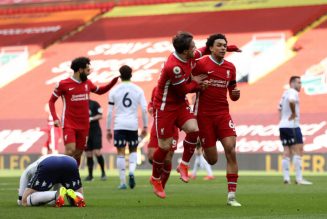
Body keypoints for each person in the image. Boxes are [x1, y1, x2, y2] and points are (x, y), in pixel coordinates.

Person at [150, 32, 240, 199]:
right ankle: (155, 179)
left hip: (181, 104)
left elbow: (205, 49)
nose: (196, 49)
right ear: (185, 51)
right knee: (164, 146)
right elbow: (184, 90)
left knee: (194, 129)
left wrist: (229, 48)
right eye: (192, 47)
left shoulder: (192, 55)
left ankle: (183, 165)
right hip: (165, 106)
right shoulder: (173, 67)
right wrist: (198, 84)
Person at [192, 33, 241, 206]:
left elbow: (233, 92)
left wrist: (235, 95)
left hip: (222, 114)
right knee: (212, 159)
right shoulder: (200, 64)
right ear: (211, 47)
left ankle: (231, 196)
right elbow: (189, 82)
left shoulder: (231, 67)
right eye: (219, 45)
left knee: (231, 148)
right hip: (204, 116)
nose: (223, 48)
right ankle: (205, 146)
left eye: (225, 45)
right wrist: (197, 85)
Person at [48, 57, 119, 166]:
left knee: (78, 153)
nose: (88, 72)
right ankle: (60, 176)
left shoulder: (88, 83)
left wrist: (114, 81)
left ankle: (74, 179)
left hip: (84, 124)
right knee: (70, 150)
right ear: (80, 70)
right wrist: (55, 118)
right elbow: (51, 101)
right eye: (87, 70)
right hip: (69, 123)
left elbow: (100, 91)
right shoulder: (63, 84)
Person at [106, 65, 148, 190]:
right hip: (132, 124)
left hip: (119, 124)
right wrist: (145, 126)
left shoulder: (114, 90)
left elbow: (109, 112)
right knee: (133, 150)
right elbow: (145, 109)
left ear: (120, 75)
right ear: (131, 75)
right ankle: (131, 172)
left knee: (120, 153)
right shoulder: (138, 90)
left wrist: (108, 129)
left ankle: (123, 182)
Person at [278, 76, 312, 185]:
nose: (300, 85)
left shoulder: (284, 94)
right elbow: (292, 101)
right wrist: (293, 113)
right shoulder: (292, 92)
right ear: (292, 83)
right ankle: (299, 178)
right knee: (299, 150)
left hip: (283, 126)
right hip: (292, 125)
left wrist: (282, 120)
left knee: (286, 151)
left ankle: (286, 178)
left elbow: (279, 108)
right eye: (298, 82)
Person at [18, 154, 85, 207]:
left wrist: (21, 197)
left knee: (25, 201)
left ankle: (56, 196)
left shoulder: (34, 165)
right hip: (71, 162)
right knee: (78, 198)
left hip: (49, 163)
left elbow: (25, 174)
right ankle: (72, 194)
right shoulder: (47, 158)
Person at [147, 86, 179, 189]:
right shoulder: (156, 88)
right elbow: (151, 102)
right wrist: (150, 108)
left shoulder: (179, 88)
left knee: (167, 158)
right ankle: (157, 174)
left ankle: (161, 185)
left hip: (172, 126)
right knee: (151, 156)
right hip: (157, 125)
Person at [84, 99, 107, 181]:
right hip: (85, 132)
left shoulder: (94, 103)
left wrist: (91, 118)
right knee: (88, 153)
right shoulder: (79, 103)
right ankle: (90, 175)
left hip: (95, 131)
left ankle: (103, 173)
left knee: (97, 152)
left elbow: (100, 115)